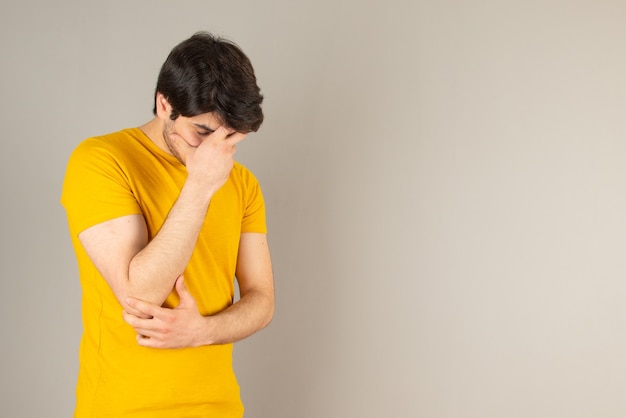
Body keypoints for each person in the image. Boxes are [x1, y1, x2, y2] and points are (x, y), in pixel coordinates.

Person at [61, 32, 274, 417]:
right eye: (203, 134)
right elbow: (140, 294)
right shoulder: (100, 161)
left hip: (219, 407)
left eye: (231, 140)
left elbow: (262, 299)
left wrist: (202, 332)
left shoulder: (243, 183)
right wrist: (200, 186)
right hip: (124, 407)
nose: (216, 152)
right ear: (165, 104)